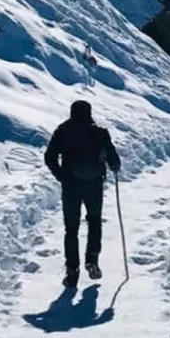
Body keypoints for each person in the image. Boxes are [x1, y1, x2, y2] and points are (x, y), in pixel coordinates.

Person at [44, 100, 121, 287]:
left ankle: (72, 271)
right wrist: (114, 166)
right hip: (93, 183)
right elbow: (113, 159)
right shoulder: (100, 132)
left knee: (71, 229)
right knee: (94, 221)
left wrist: (61, 176)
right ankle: (92, 259)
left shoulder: (63, 131)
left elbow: (49, 157)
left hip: (71, 184)